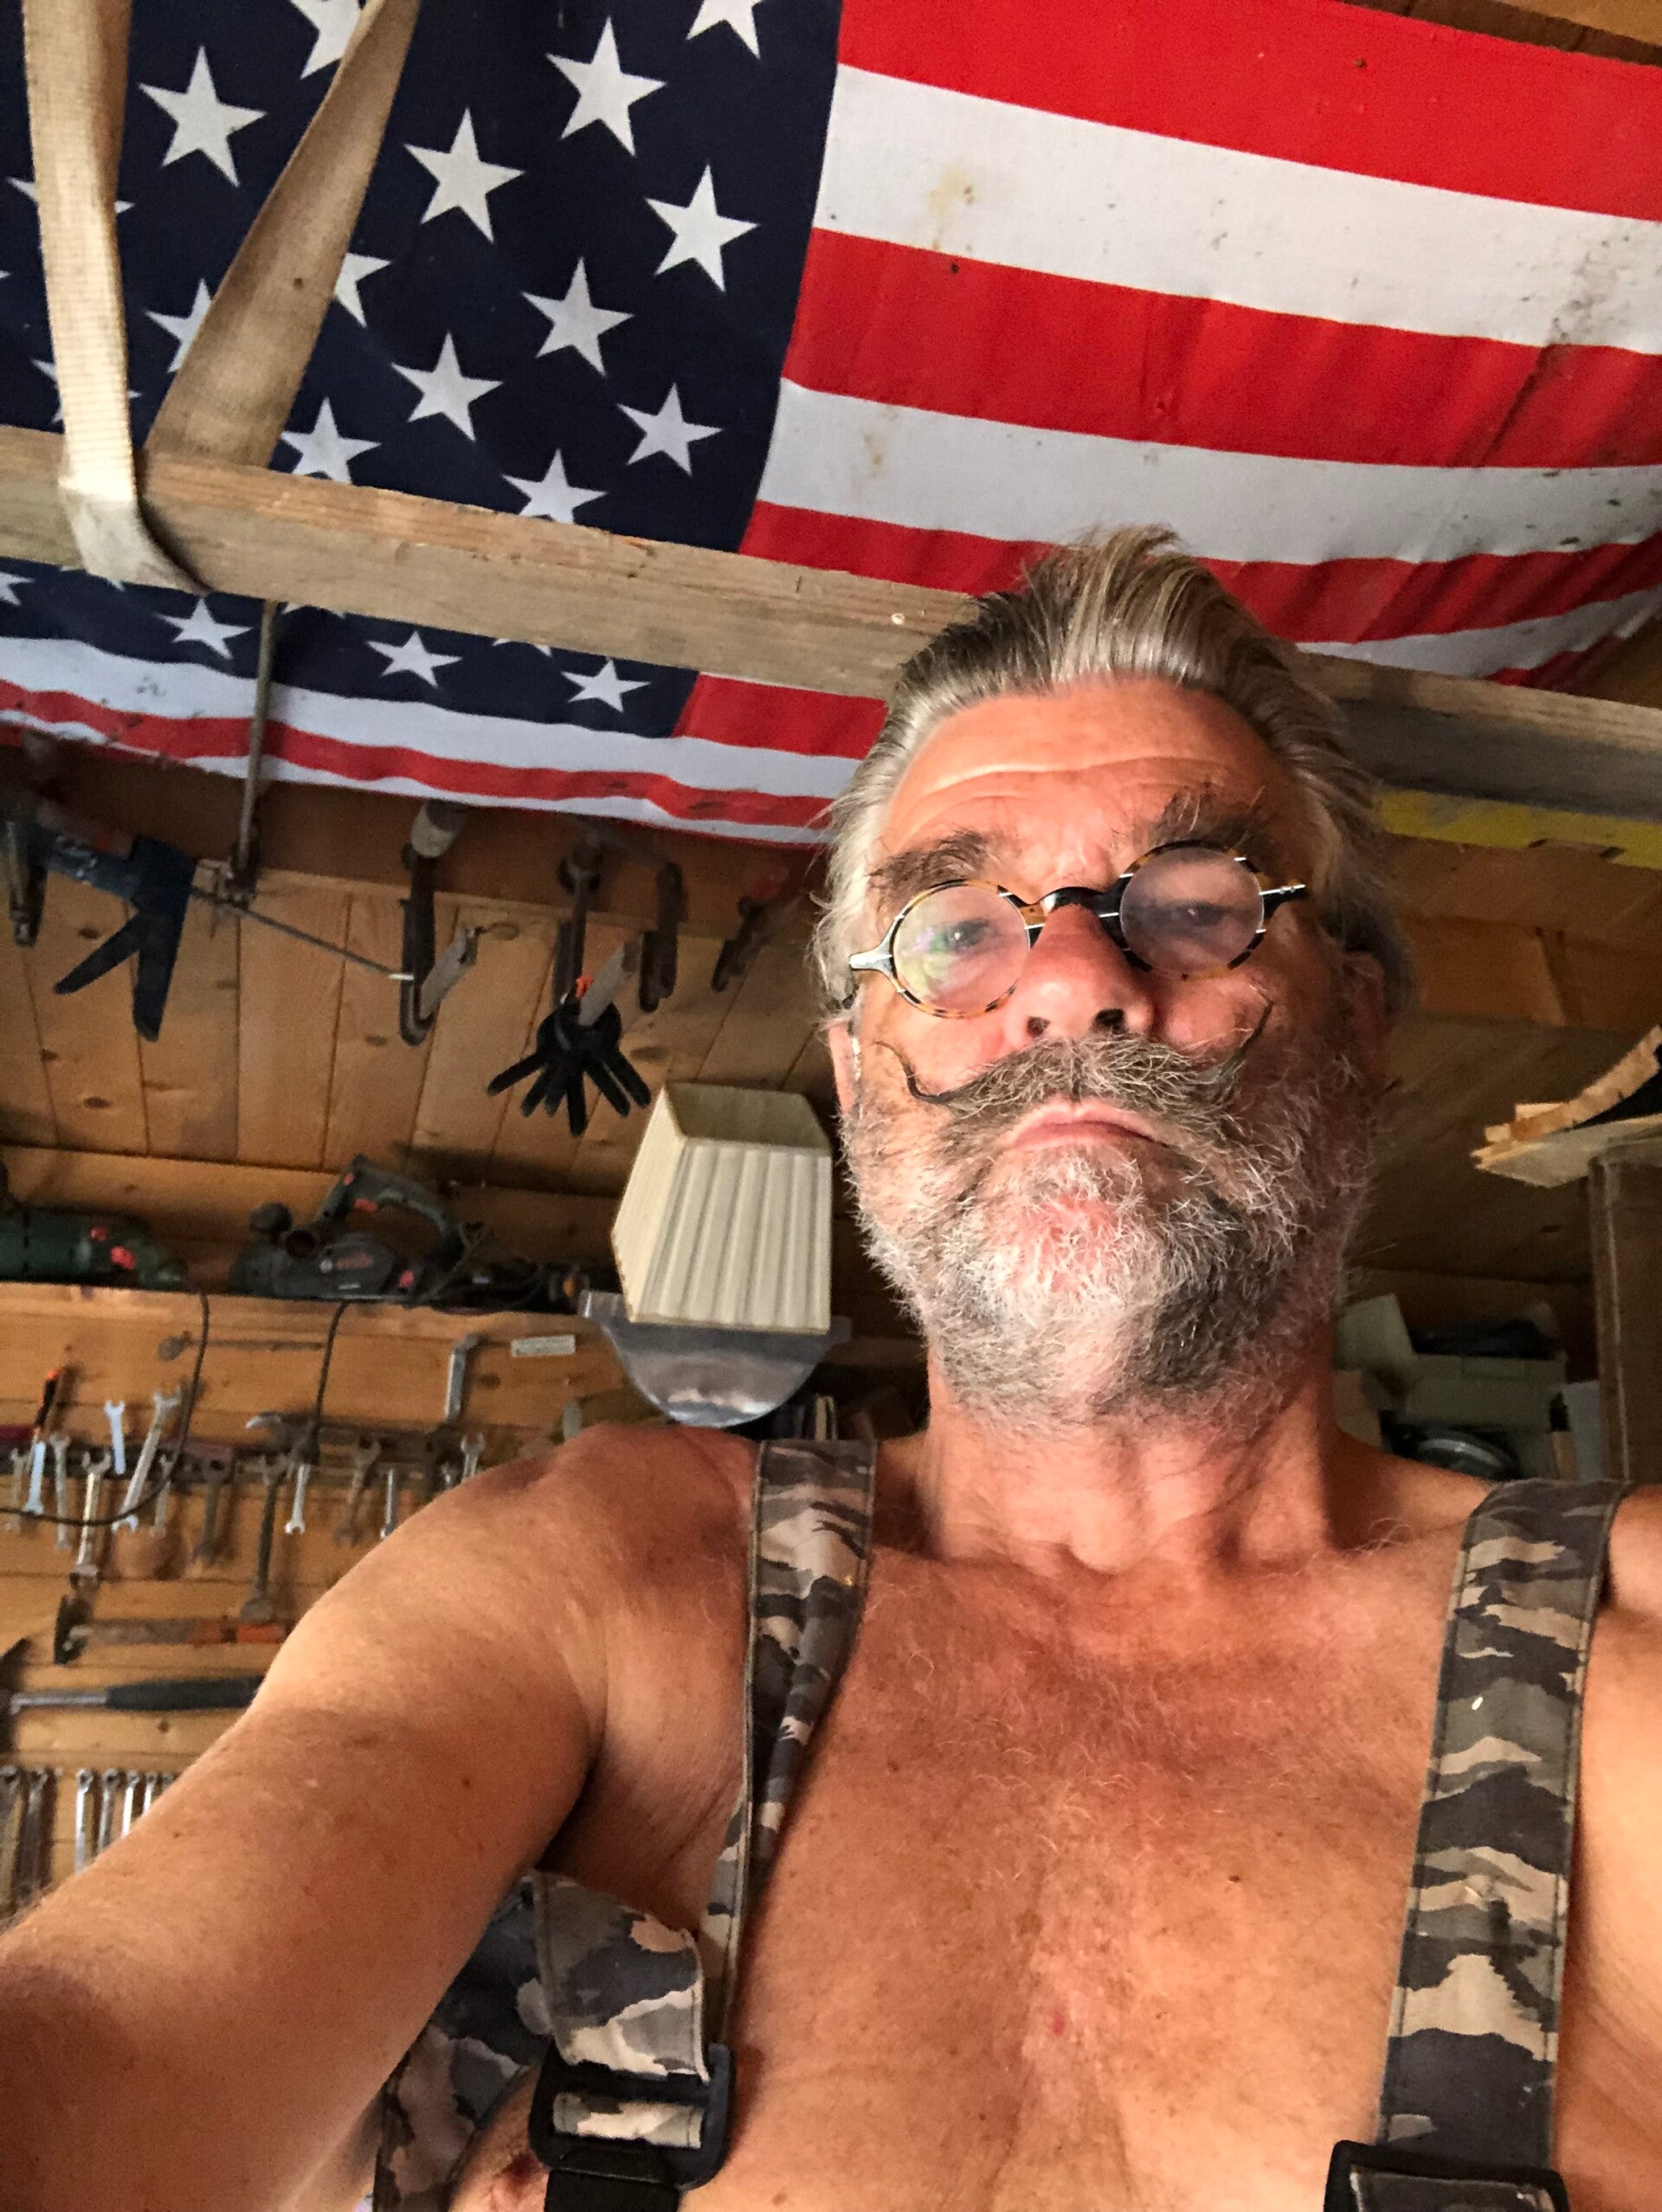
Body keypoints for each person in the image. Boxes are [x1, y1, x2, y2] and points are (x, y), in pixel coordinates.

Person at [1, 527, 1659, 2212]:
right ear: (861, 1067)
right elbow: (107, 2043)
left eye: (1194, 908)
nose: (1071, 981)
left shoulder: (1630, 1658)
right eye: (956, 930)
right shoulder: (584, 1587)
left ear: (1360, 1020)